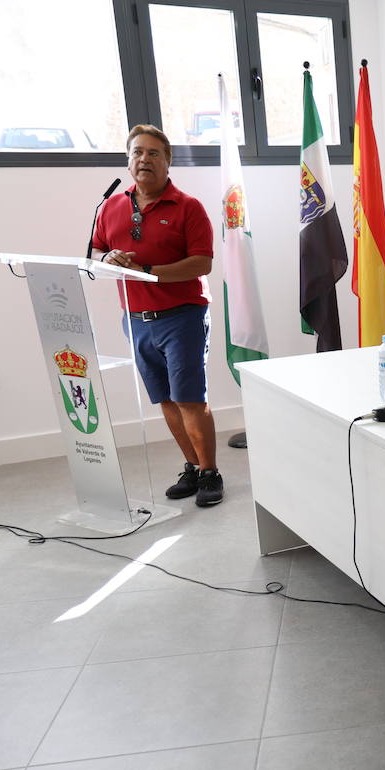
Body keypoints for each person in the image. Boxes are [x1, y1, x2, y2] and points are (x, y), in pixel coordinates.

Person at [91, 124, 223, 506]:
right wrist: (108, 257)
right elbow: (95, 251)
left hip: (183, 317)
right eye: (137, 152)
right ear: (128, 161)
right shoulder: (111, 207)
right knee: (165, 398)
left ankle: (211, 473)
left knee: (189, 399)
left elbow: (202, 262)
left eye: (153, 153)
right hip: (135, 320)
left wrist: (149, 271)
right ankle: (192, 467)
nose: (144, 159)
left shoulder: (188, 207)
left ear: (167, 161)